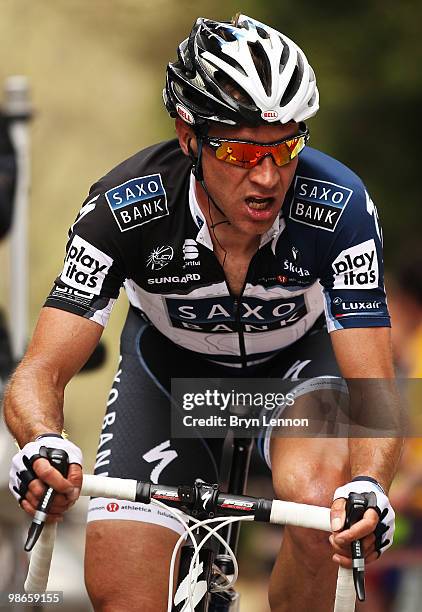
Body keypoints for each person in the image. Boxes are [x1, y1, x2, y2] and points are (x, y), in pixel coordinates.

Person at [4, 14, 403, 612]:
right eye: (242, 149)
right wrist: (43, 443)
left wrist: (370, 483)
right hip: (170, 376)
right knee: (126, 593)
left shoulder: (341, 206)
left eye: (287, 146)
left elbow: (374, 382)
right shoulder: (123, 208)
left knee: (325, 508)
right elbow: (38, 370)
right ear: (189, 136)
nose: (268, 176)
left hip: (296, 375)